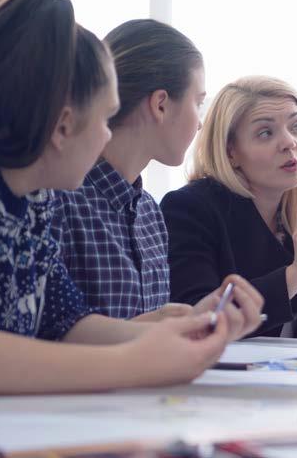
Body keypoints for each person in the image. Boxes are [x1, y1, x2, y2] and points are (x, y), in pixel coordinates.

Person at [0, 0, 263, 402]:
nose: (108, 135)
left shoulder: (29, 197)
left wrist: (178, 334)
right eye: (107, 118)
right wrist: (135, 363)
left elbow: (62, 321)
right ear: (62, 126)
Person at [52, 19, 213, 321]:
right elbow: (47, 338)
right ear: (161, 104)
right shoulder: (59, 202)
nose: (201, 121)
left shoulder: (151, 214)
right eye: (198, 102)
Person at [161, 76, 297, 339]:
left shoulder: (293, 219)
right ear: (230, 153)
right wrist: (296, 275)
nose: (289, 142)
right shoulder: (189, 208)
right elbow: (199, 324)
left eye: (296, 127)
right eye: (265, 133)